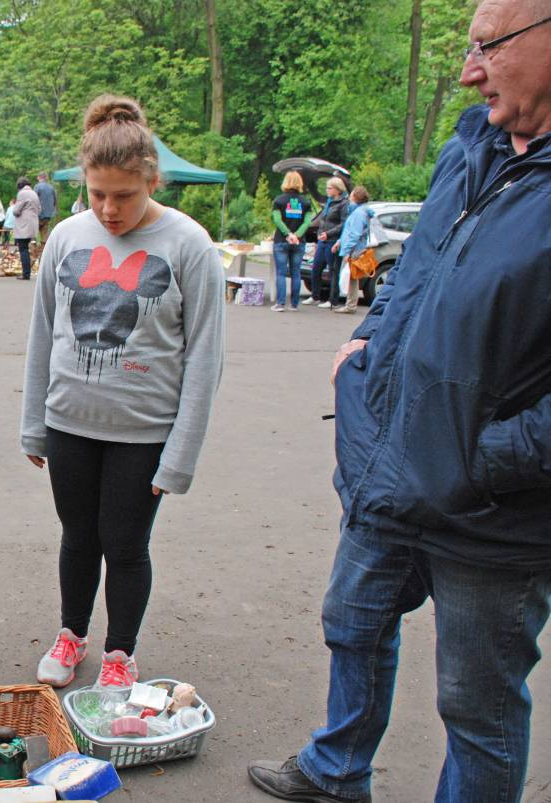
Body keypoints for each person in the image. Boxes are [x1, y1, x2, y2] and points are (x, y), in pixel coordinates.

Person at [248, 1, 551, 800]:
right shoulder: (475, 142)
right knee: (353, 620)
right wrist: (370, 339)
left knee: (475, 704)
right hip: (393, 451)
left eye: (488, 47)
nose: (468, 69)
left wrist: (480, 459)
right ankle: (336, 769)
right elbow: (421, 261)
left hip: (496, 506)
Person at [21, 94, 225, 691]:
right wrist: (35, 422)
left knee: (125, 543)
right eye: (97, 193)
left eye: (124, 196)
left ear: (152, 180)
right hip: (69, 424)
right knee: (78, 538)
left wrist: (180, 455)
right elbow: (43, 334)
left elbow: (205, 357)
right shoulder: (64, 237)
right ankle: (71, 633)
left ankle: (119, 651)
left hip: (144, 432)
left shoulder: (189, 245)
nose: (108, 210)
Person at [270, 170, 315, 311]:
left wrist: (288, 234)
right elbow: (308, 222)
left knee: (281, 272)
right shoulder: (306, 202)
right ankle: (294, 304)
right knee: (296, 272)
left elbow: (277, 220)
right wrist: (297, 235)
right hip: (299, 242)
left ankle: (280, 303)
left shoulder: (278, 201)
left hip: (281, 241)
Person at [300, 177, 348, 308]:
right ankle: (315, 296)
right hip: (322, 240)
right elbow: (323, 220)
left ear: (337, 189)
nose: (327, 190)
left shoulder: (344, 203)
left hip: (333, 240)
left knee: (333, 270)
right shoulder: (329, 201)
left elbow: (344, 224)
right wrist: (319, 234)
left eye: (329, 188)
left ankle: (333, 300)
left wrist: (329, 233)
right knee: (316, 268)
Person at [330, 186, 373, 314]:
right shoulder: (360, 211)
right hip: (356, 248)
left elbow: (354, 234)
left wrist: (348, 251)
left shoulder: (358, 213)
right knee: (352, 277)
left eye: (352, 194)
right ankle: (350, 304)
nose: (349, 195)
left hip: (355, 250)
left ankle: (350, 305)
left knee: (351, 277)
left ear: (355, 197)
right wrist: (339, 242)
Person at [11, 176, 42, 280]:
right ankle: (27, 272)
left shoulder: (22, 193)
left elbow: (16, 211)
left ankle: (26, 273)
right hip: (33, 223)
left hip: (24, 225)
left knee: (23, 248)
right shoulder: (34, 193)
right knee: (26, 248)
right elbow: (39, 209)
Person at [34, 171, 58, 241]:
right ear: (46, 178)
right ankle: (43, 250)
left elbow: (33, 200)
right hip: (48, 215)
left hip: (38, 215)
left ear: (38, 177)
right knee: (44, 234)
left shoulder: (37, 186)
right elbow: (55, 201)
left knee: (33, 234)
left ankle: (33, 250)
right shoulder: (51, 187)